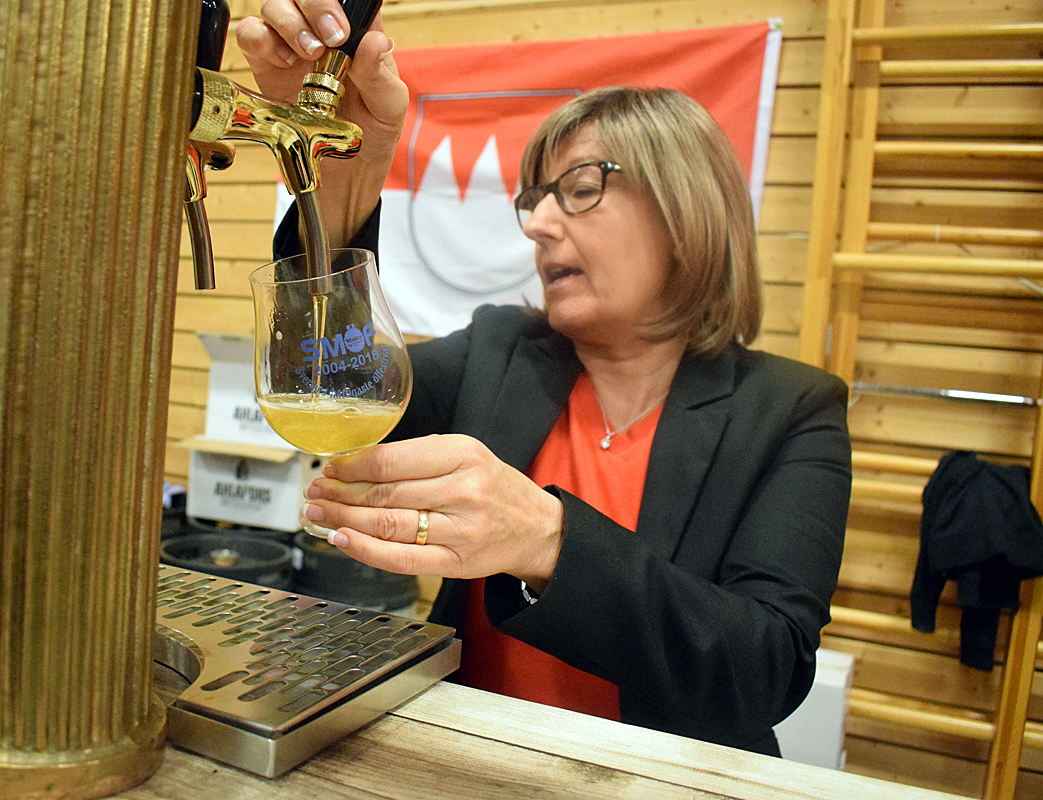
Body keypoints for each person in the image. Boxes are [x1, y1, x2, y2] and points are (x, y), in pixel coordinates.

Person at [238, 1, 851, 756]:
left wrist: (547, 541)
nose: (537, 224)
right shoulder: (499, 352)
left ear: (686, 205)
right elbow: (327, 385)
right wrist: (344, 182)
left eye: (581, 187)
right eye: (535, 198)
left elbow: (764, 669)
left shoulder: (790, 410)